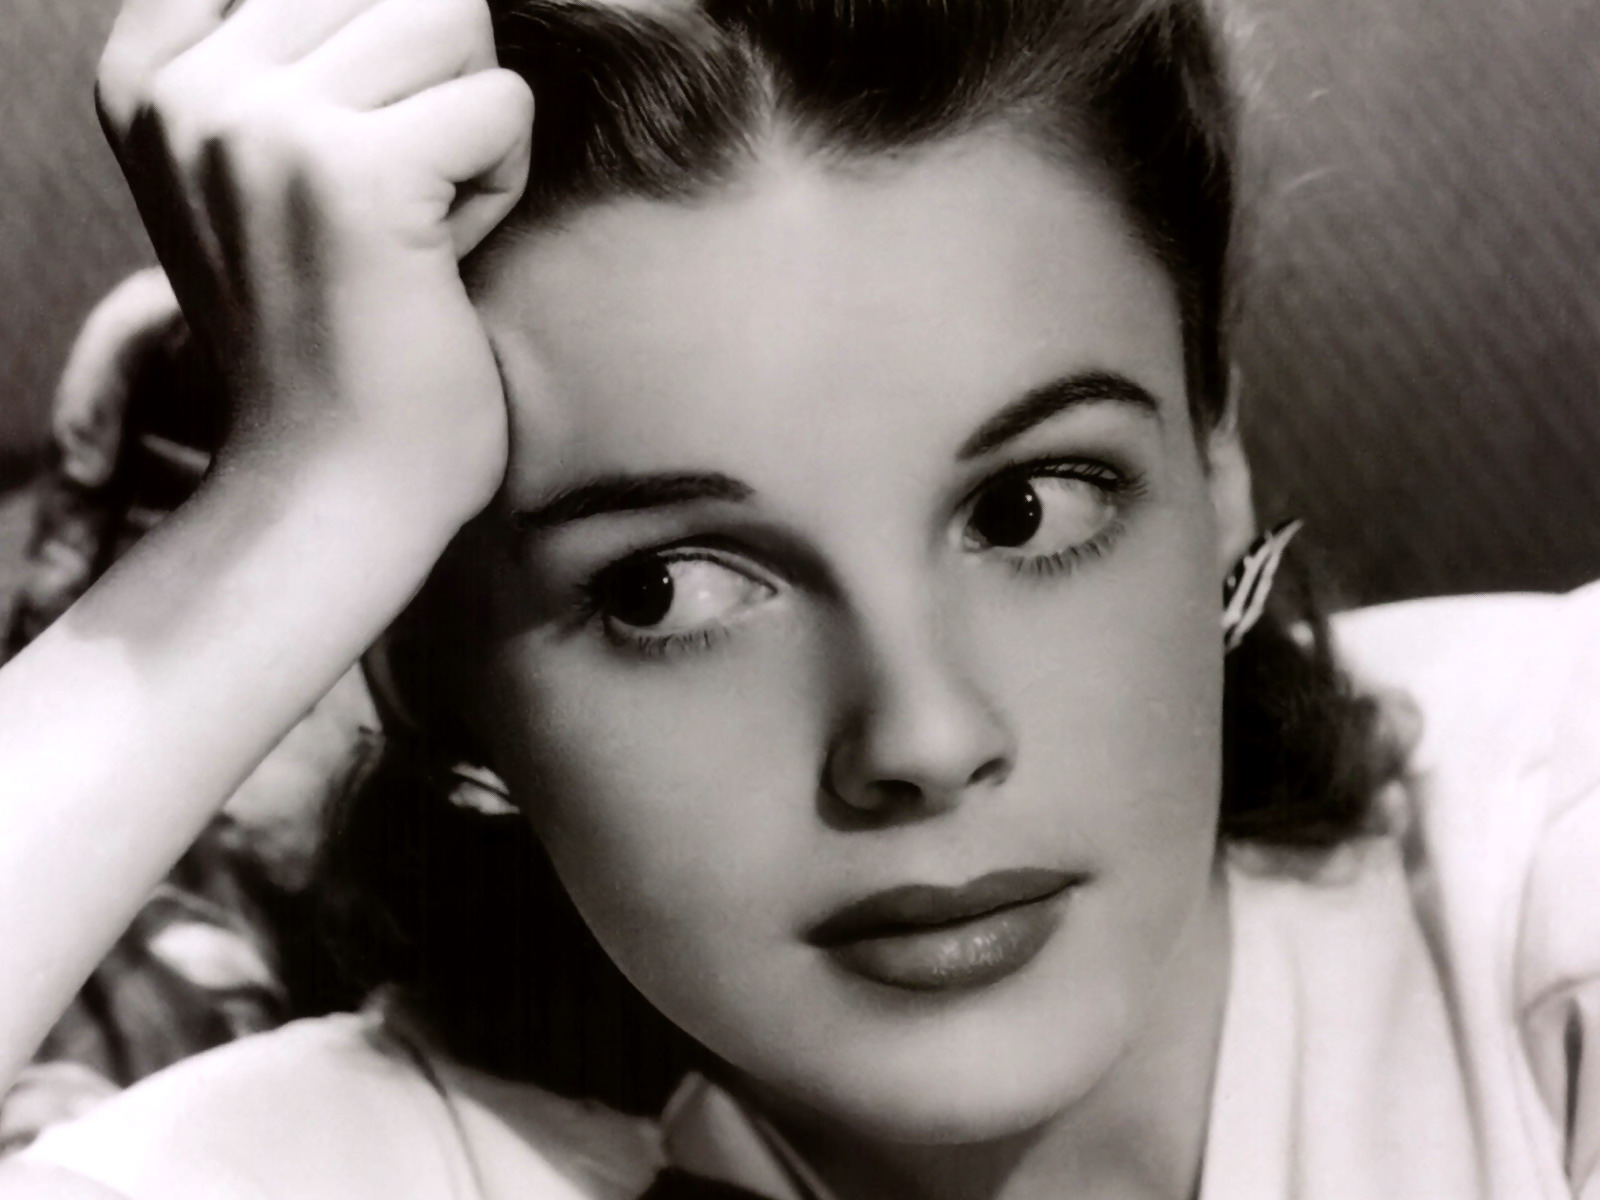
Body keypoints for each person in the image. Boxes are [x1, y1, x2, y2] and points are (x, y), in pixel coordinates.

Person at [0, 0, 1596, 1197]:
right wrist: (298, 512)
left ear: (1216, 449)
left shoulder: (1547, 862)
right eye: (666, 589)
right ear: (424, 669)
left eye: (1027, 507)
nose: (922, 739)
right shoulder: (350, 1162)